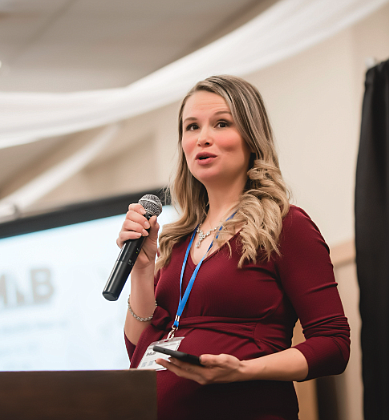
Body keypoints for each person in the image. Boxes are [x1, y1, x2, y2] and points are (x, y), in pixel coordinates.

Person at [117, 75, 350, 420]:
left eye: (221, 123)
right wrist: (141, 269)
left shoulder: (286, 224)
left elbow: (333, 344)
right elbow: (140, 348)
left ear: (251, 137)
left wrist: (243, 370)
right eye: (191, 127)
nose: (203, 138)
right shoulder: (177, 239)